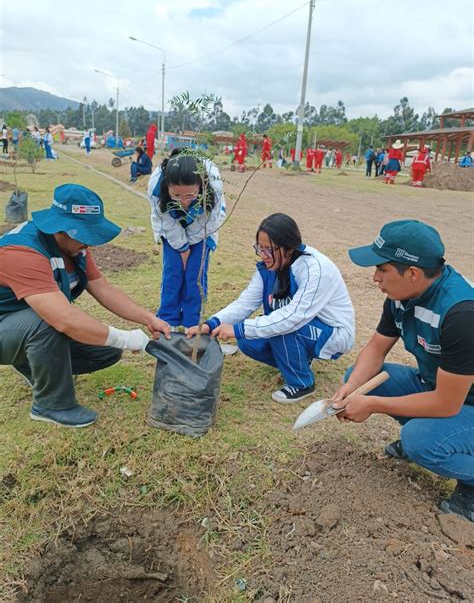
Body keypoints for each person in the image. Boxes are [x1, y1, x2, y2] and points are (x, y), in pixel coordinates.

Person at [332, 220, 474, 522]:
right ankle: (439, 434)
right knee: (358, 380)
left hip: (462, 403)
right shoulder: (403, 297)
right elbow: (376, 347)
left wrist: (371, 404)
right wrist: (353, 388)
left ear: (412, 273)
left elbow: (447, 403)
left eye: (382, 270)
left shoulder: (461, 314)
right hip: (438, 388)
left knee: (420, 441)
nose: (374, 278)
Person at [0, 183, 171, 428]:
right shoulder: (23, 252)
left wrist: (147, 318)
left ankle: (30, 366)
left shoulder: (74, 247)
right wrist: (125, 338)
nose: (89, 245)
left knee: (105, 350)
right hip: (6, 326)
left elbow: (101, 287)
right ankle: (51, 406)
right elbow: (64, 319)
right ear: (61, 229)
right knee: (48, 322)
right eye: (85, 235)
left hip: (19, 324)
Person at [187, 213, 355, 404]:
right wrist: (211, 324)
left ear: (289, 248)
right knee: (247, 341)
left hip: (332, 333)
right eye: (260, 248)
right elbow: (245, 303)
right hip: (303, 327)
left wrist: (238, 328)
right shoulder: (269, 269)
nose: (263, 255)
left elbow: (293, 317)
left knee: (280, 326)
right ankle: (299, 360)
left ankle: (301, 383)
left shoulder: (315, 268)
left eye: (269, 249)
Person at [147, 149, 226, 329]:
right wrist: (182, 248)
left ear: (200, 183)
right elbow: (165, 222)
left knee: (195, 275)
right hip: (171, 224)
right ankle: (168, 322)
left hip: (203, 226)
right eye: (177, 195)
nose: (184, 201)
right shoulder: (155, 185)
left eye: (189, 195)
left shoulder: (213, 183)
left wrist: (190, 249)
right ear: (167, 185)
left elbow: (209, 221)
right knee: (173, 273)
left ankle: (193, 324)